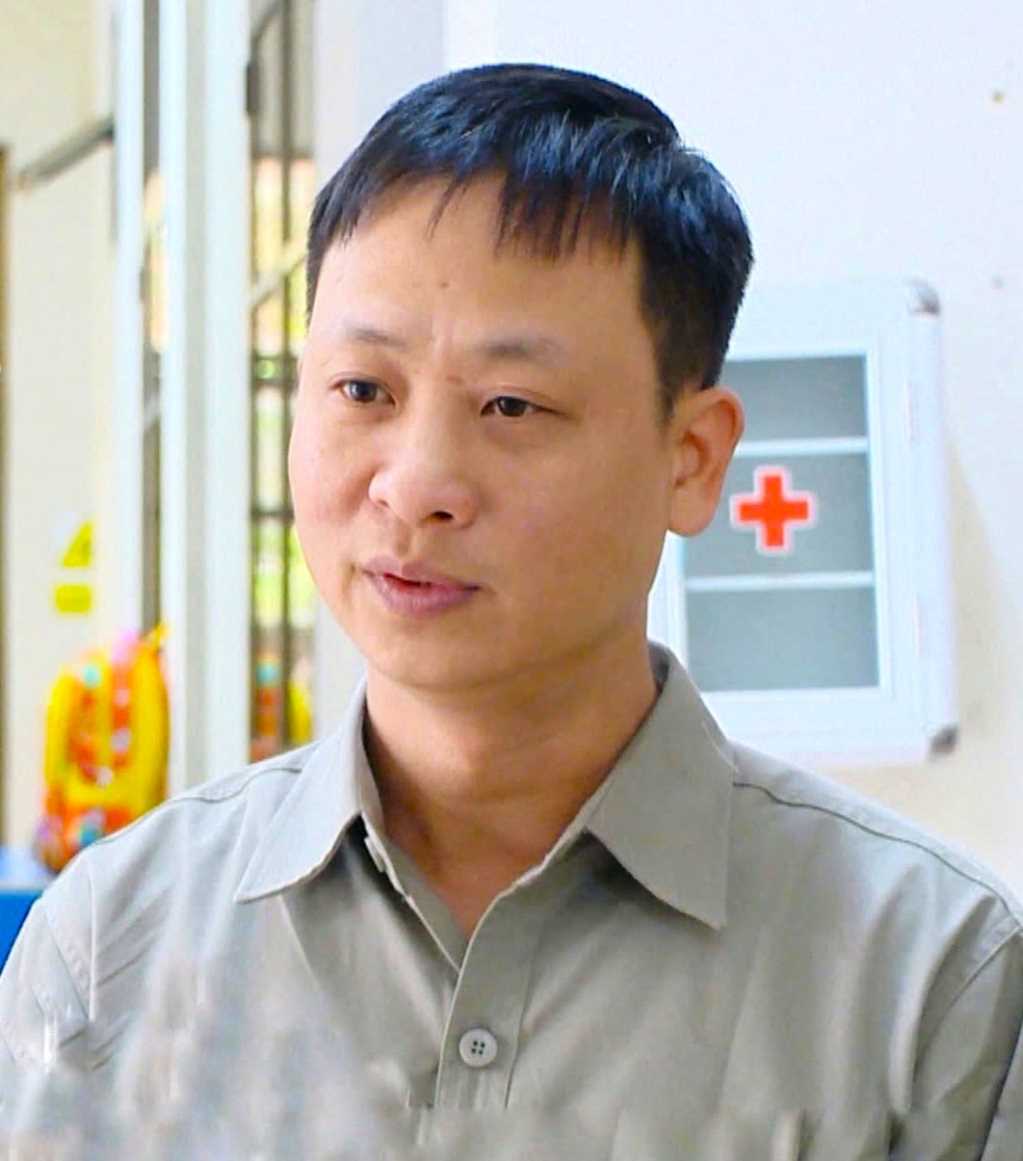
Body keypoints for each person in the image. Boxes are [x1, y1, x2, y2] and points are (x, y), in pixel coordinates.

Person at [1, 62, 1021, 1160]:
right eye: (362, 390)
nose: (415, 484)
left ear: (691, 457)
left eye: (511, 404)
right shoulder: (113, 947)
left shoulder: (930, 977)